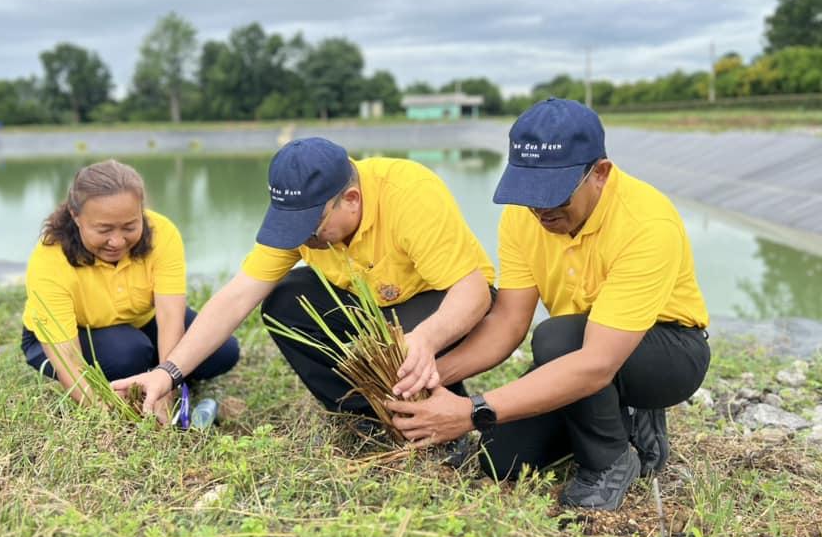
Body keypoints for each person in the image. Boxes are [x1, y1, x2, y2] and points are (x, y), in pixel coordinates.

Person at [386, 98, 710, 511]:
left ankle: (611, 460)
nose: (541, 209)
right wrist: (428, 377)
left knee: (557, 337)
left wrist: (472, 412)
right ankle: (619, 417)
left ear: (600, 173)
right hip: (582, 346)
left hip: (667, 352)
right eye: (530, 193)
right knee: (499, 460)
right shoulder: (525, 219)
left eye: (554, 195)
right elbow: (507, 321)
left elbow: (595, 362)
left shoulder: (647, 224)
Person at [113, 137, 496, 429]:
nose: (304, 238)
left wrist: (426, 339)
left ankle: (438, 411)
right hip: (371, 302)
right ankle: (367, 418)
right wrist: (168, 373)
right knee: (284, 300)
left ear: (351, 199)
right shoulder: (304, 222)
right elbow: (236, 296)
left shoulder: (409, 194)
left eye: (312, 228)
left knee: (403, 335)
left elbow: (473, 293)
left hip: (443, 302)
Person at [21, 159, 239, 417]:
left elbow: (170, 316)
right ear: (75, 215)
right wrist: (100, 411)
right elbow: (65, 353)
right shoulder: (50, 258)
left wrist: (166, 392)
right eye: (103, 229)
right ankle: (136, 376)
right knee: (130, 354)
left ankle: (145, 378)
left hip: (140, 322)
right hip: (73, 336)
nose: (117, 241)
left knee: (221, 350)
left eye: (129, 226)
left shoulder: (163, 233)